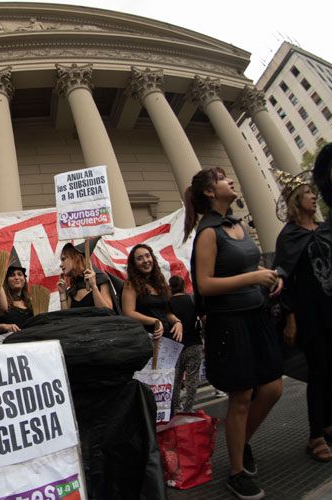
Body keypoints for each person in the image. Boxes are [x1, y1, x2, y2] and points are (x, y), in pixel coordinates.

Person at [184, 167, 282, 500]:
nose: (231, 181)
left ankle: (241, 443)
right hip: (231, 323)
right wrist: (253, 279)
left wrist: (266, 275)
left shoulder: (237, 224)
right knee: (241, 398)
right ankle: (237, 471)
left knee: (272, 388)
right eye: (223, 179)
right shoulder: (208, 232)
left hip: (257, 316)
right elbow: (206, 284)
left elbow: (246, 267)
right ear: (210, 192)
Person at [279, 170, 332, 460]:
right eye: (308, 193)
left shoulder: (327, 229)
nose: (313, 196)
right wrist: (290, 317)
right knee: (318, 373)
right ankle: (315, 435)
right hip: (310, 315)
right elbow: (284, 280)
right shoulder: (289, 236)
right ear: (297, 200)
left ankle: (328, 424)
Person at [122, 244, 183, 343]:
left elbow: (166, 312)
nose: (145, 260)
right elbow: (128, 313)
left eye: (147, 256)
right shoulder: (131, 284)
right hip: (146, 340)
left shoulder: (160, 283)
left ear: (152, 258)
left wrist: (177, 322)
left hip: (167, 340)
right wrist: (155, 321)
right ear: (134, 264)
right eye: (139, 258)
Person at [168, 275, 202, 414]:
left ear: (170, 287)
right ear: (183, 286)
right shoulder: (192, 300)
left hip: (175, 346)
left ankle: (175, 407)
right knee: (192, 379)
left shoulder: (168, 303)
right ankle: (189, 409)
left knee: (176, 378)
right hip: (194, 344)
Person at [57, 237, 118, 312]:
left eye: (63, 259)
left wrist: (94, 286)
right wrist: (62, 293)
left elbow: (107, 312)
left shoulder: (100, 279)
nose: (60, 265)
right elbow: (65, 318)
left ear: (76, 258)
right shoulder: (73, 289)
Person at [0, 248, 34, 334]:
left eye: (20, 274)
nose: (17, 277)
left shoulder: (30, 303)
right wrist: (5, 326)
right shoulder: (0, 302)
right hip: (6, 345)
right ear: (6, 281)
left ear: (24, 279)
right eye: (12, 275)